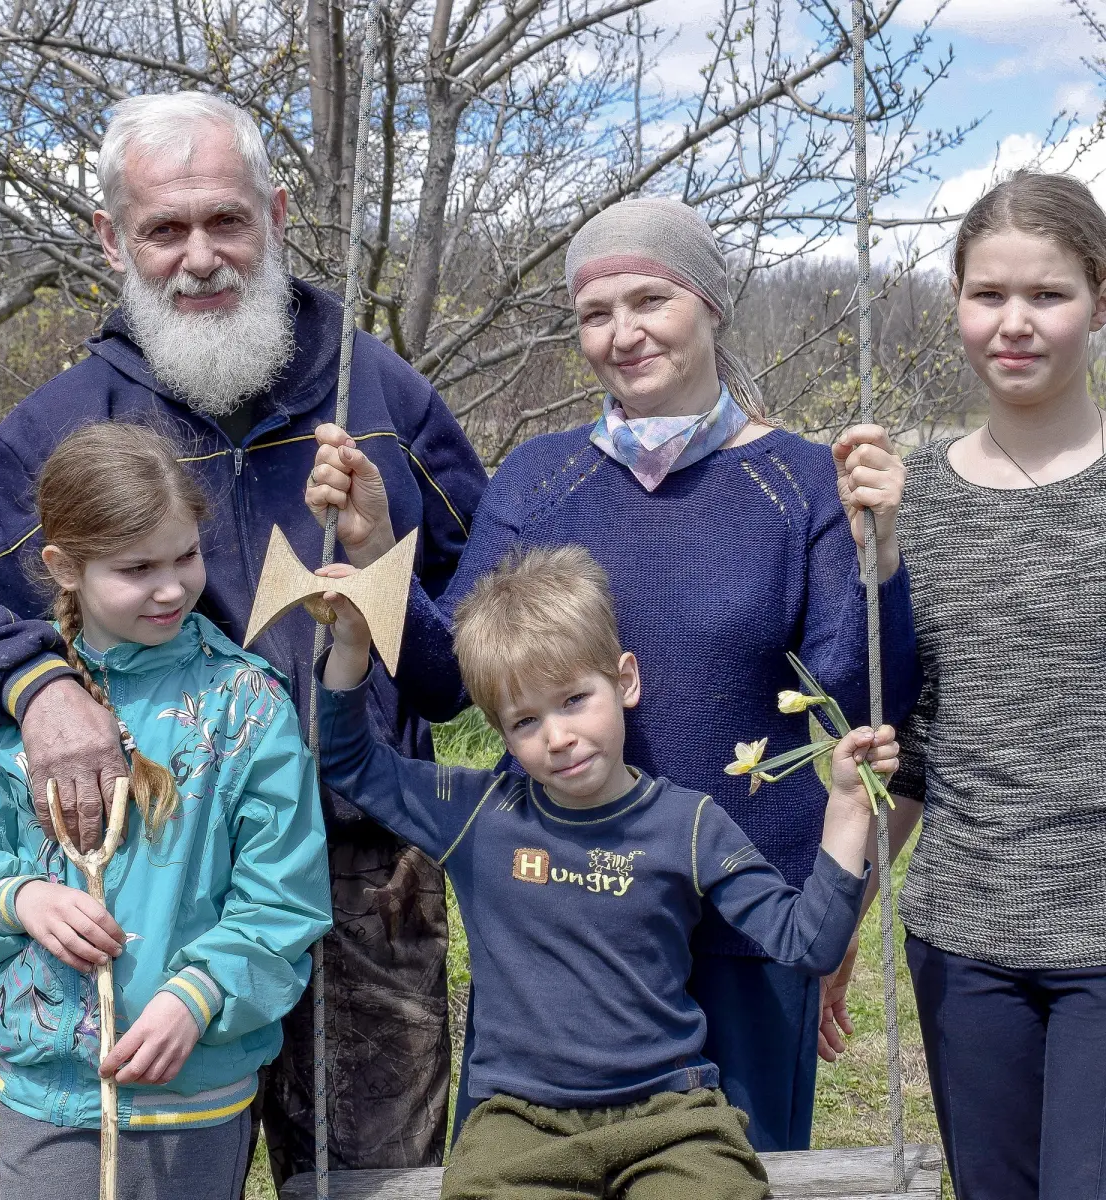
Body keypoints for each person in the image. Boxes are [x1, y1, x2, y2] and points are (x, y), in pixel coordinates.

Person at [0, 92, 488, 1180]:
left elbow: (477, 651)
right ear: (110, 238)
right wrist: (40, 686)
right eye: (165, 229)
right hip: (146, 890)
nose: (201, 256)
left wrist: (375, 577)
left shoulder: (384, 401)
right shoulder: (64, 426)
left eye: (226, 220)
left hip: (361, 884)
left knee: (374, 1189)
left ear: (274, 213)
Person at [305, 196, 920, 1150]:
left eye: (651, 300)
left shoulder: (800, 480)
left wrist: (877, 563)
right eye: (597, 313)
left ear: (710, 304)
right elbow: (445, 680)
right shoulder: (539, 478)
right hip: (571, 921)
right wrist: (380, 551)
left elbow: (855, 689)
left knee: (738, 1172)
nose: (623, 333)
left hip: (743, 910)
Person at [312, 543, 897, 1199]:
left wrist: (848, 808)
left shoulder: (689, 826)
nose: (557, 736)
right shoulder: (477, 815)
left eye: (573, 700)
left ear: (624, 681)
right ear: (500, 732)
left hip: (669, 1118)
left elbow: (807, 942)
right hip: (518, 1124)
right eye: (525, 720)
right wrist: (352, 645)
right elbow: (347, 762)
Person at [0, 424, 331, 1200]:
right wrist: (19, 897)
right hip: (49, 1107)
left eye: (185, 557)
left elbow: (285, 899)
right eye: (136, 569)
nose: (171, 588)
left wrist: (196, 997)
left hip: (196, 1096)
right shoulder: (20, 719)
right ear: (63, 568)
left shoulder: (246, 709)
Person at [825, 170, 1106, 1200]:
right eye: (989, 295)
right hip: (964, 944)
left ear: (1101, 302)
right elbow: (910, 745)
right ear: (955, 304)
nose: (1015, 323)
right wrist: (843, 917)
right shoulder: (908, 499)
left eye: (1049, 295)